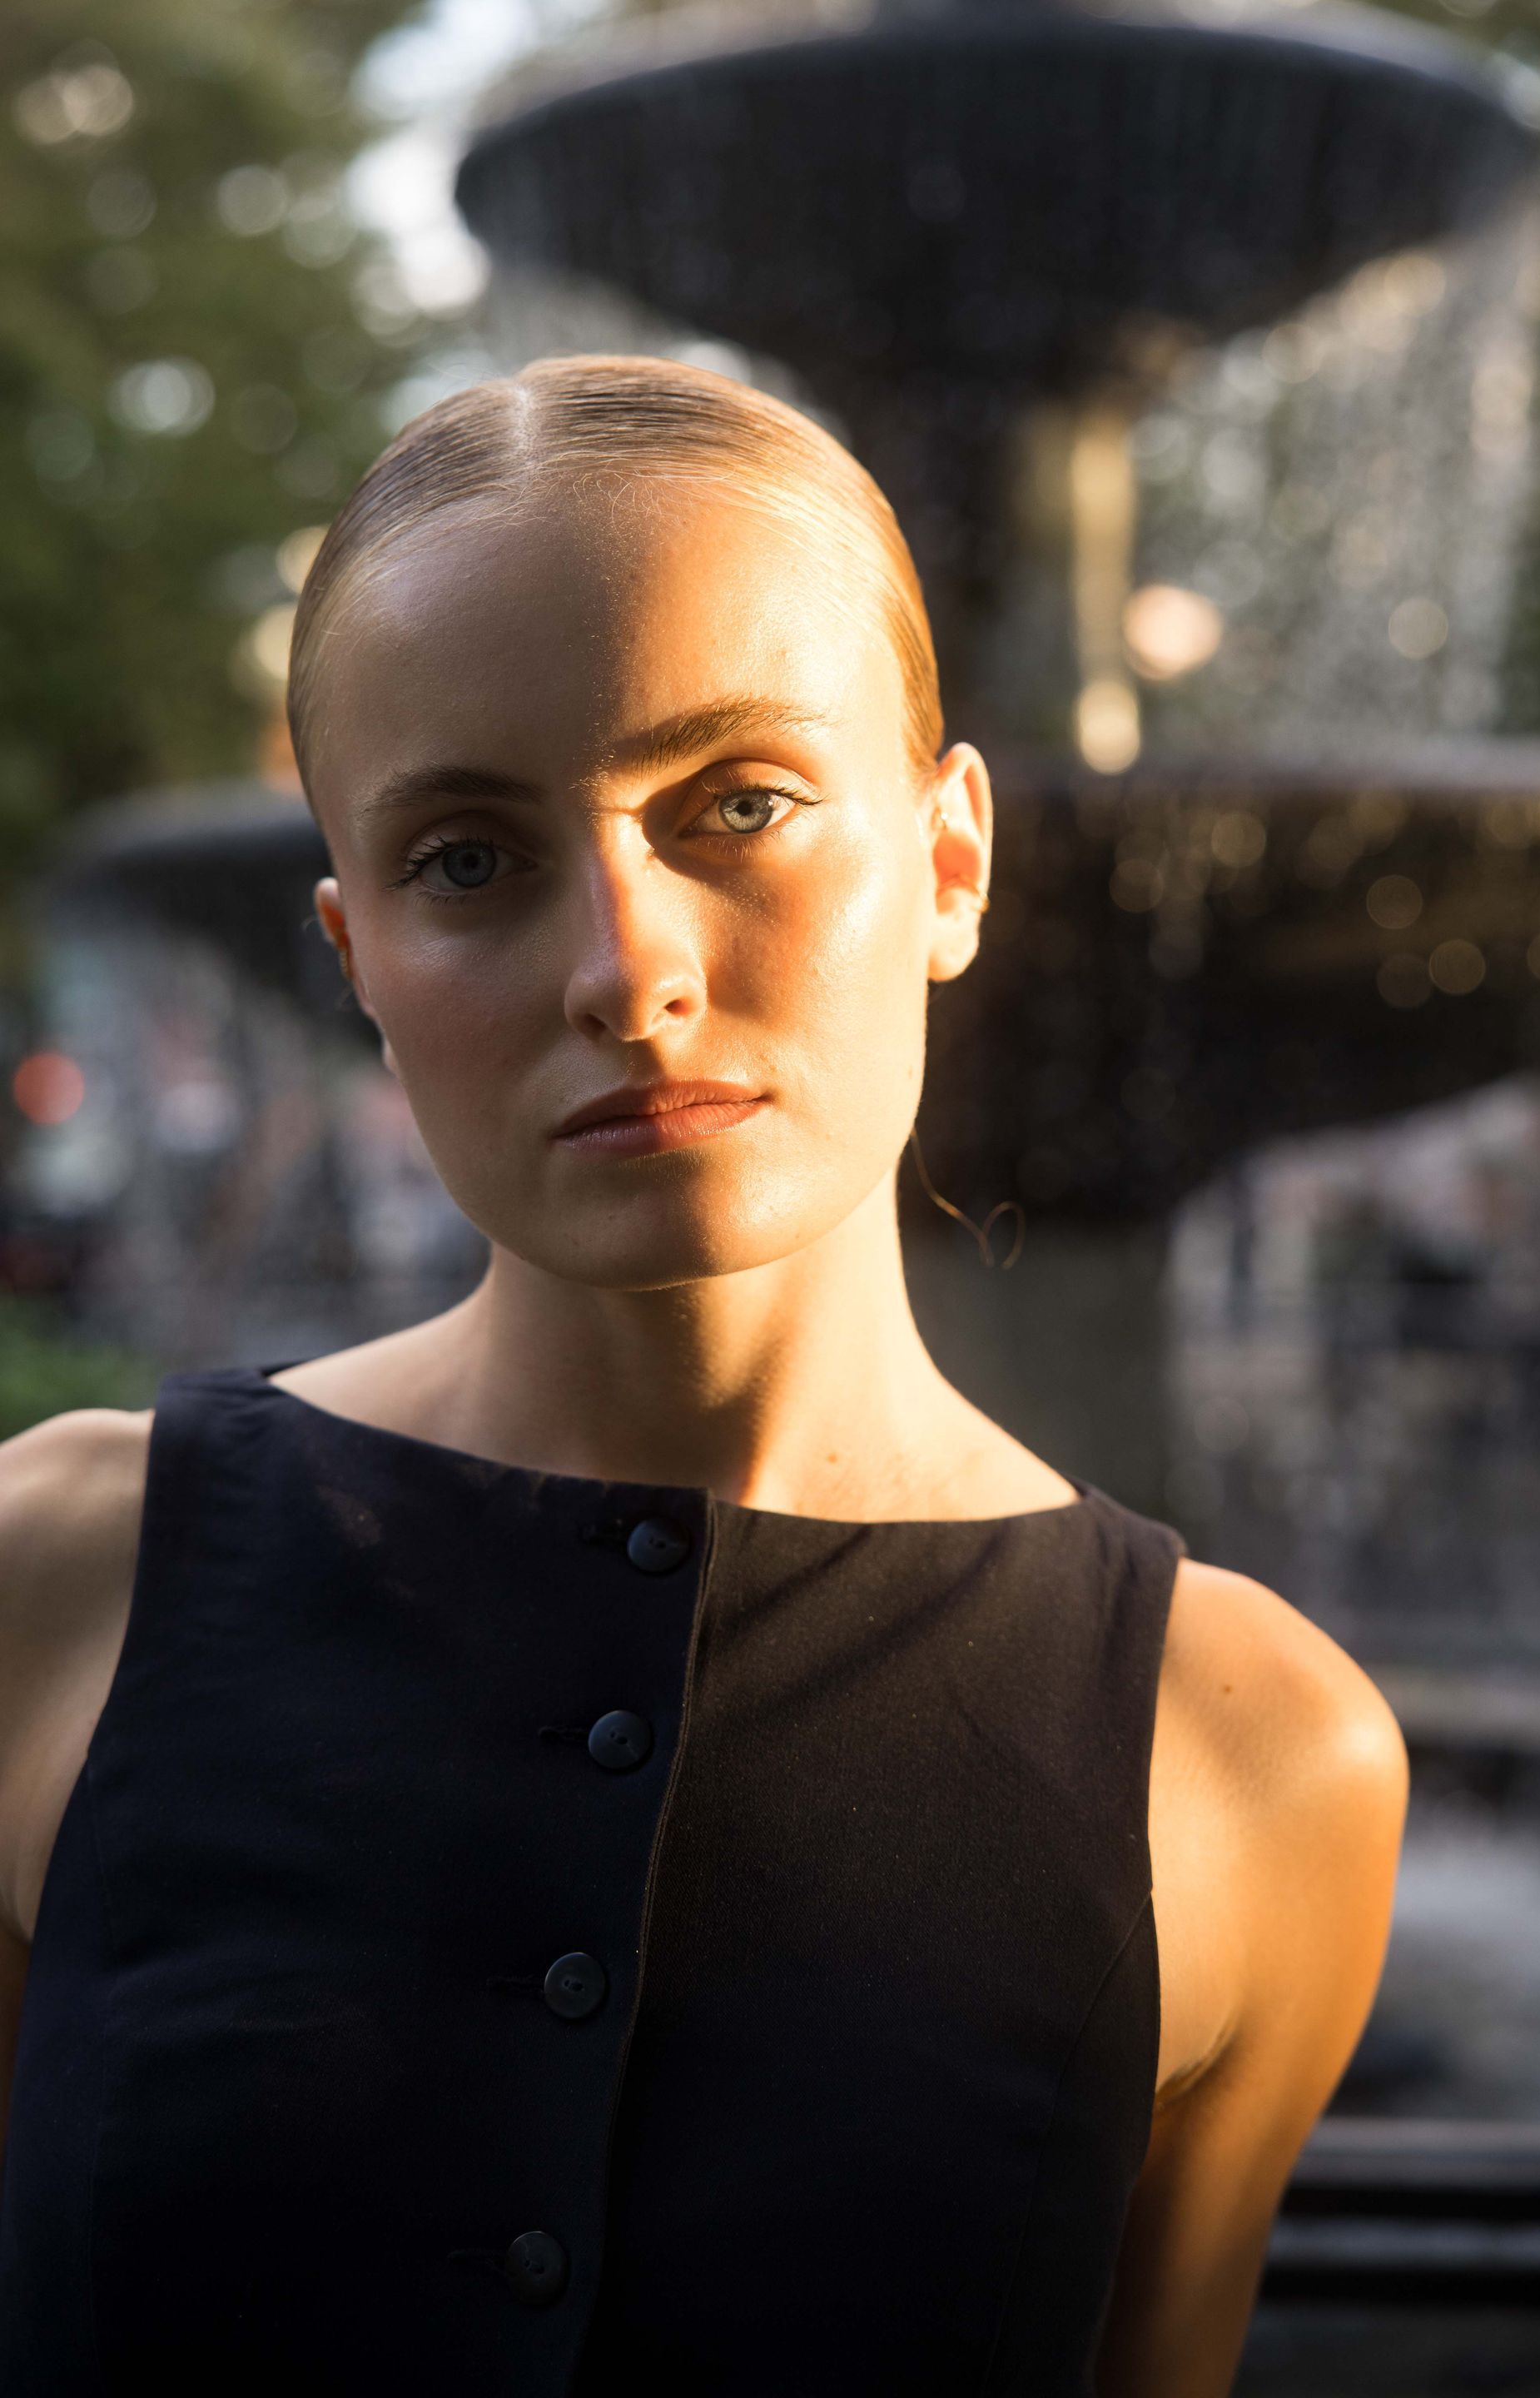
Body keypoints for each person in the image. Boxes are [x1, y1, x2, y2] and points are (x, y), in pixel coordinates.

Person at [0, 356, 1407, 2396]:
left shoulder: (1260, 1753)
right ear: (354, 954)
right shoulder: (57, 1586)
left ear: (949, 860)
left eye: (739, 803)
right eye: (465, 859)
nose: (625, 970)